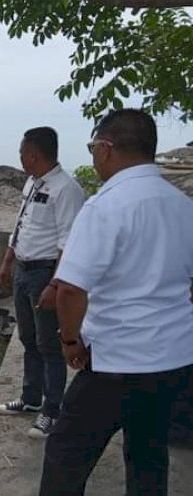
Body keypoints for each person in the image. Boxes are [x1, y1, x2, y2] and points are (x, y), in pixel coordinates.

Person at [40, 109, 193, 495]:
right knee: (148, 454)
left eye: (93, 148)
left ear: (106, 149)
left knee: (66, 455)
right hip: (173, 360)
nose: (93, 157)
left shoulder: (105, 206)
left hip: (116, 362)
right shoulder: (181, 205)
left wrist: (70, 341)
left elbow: (71, 289)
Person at [0, 127, 86, 438]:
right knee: (28, 340)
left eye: (22, 154)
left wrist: (55, 285)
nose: (20, 159)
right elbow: (21, 224)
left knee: (49, 344)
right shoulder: (33, 183)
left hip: (46, 273)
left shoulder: (66, 189)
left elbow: (68, 243)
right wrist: (8, 260)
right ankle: (31, 399)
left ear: (33, 154)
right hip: (23, 269)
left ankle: (52, 410)